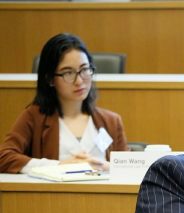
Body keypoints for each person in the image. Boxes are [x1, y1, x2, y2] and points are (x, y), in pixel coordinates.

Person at [0, 33, 128, 173]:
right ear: (50, 79)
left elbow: (129, 170)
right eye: (68, 73)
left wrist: (106, 167)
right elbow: (4, 157)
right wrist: (60, 165)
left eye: (84, 69)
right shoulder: (34, 117)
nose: (79, 81)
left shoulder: (111, 121)